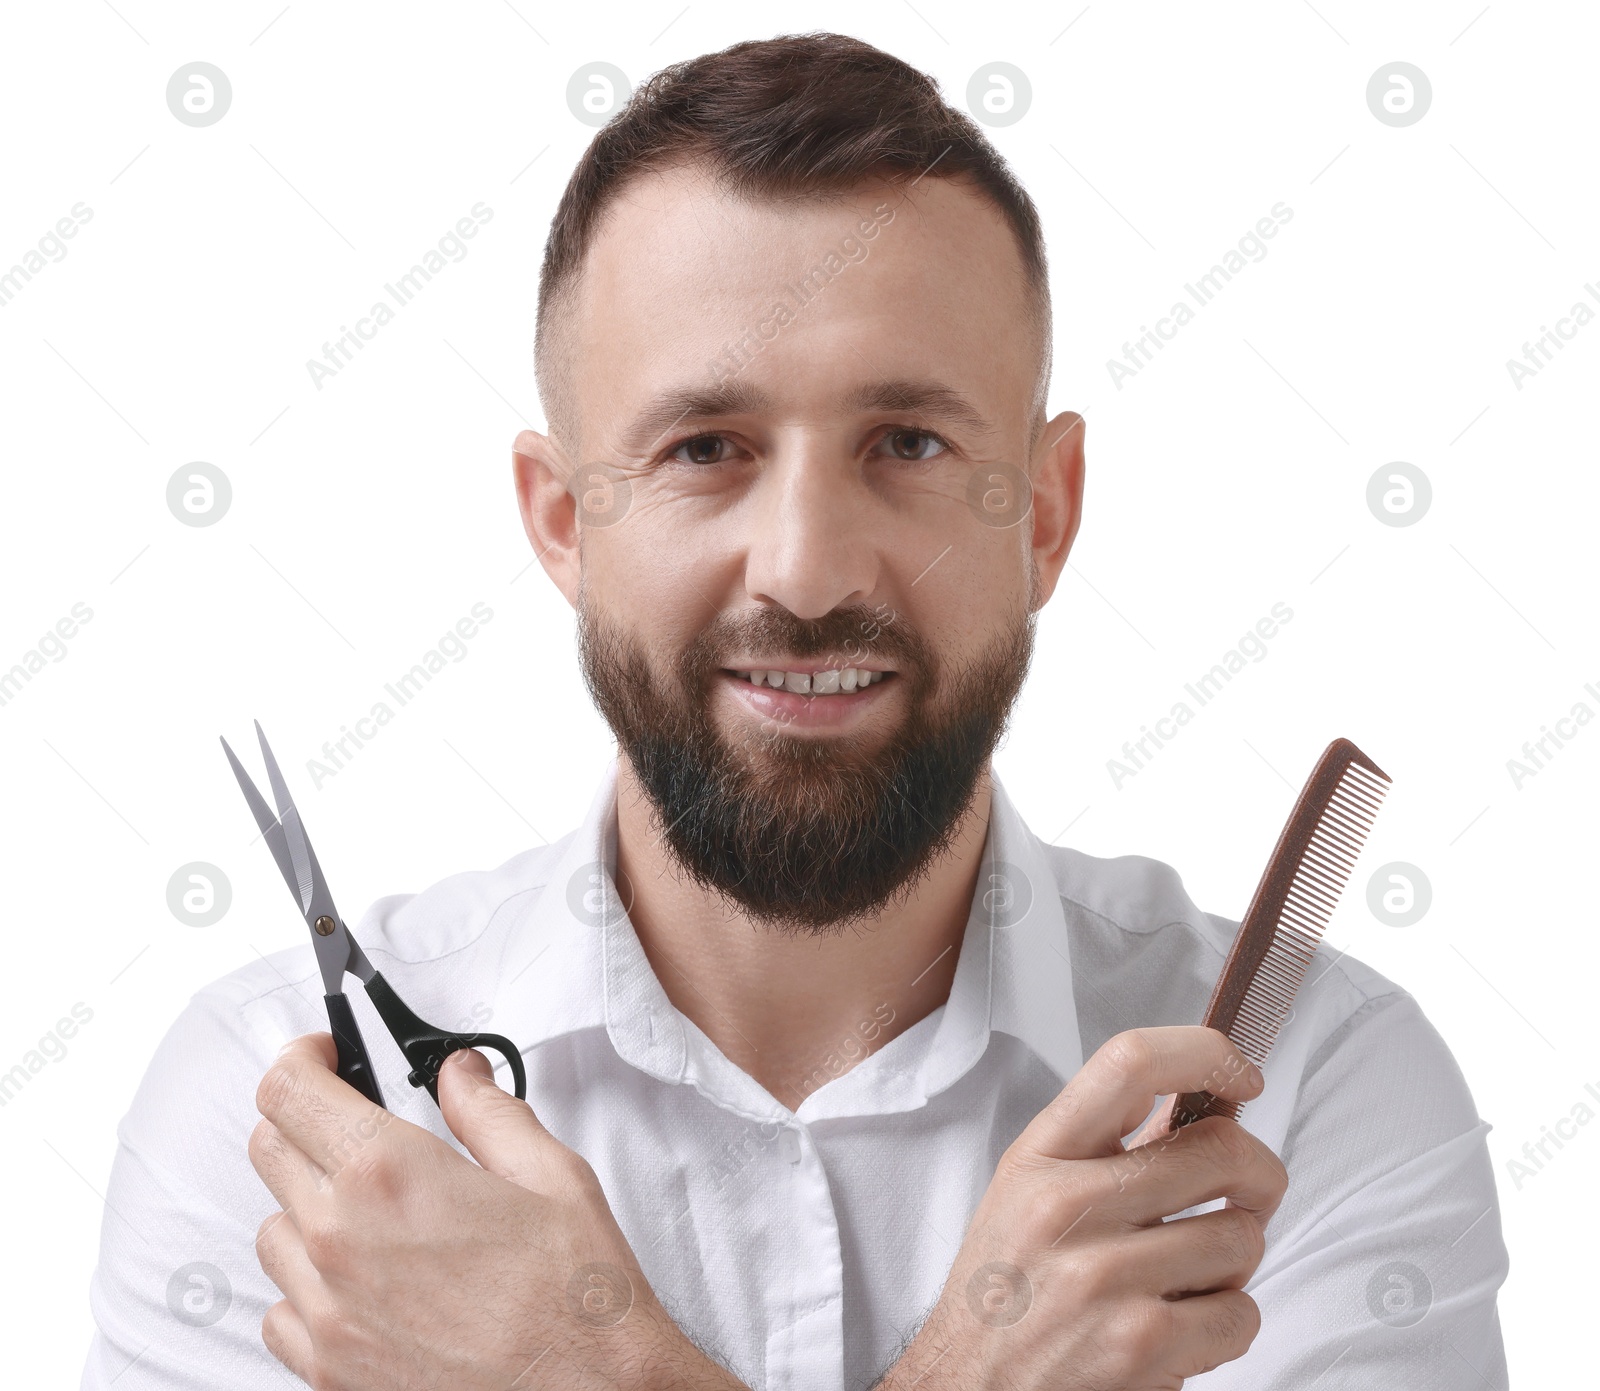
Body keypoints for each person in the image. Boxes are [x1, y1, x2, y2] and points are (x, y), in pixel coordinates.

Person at [80, 32, 1508, 1391]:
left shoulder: (1316, 1092)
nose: (809, 569)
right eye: (707, 448)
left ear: (1047, 514)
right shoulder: (285, 1134)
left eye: (908, 443)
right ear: (565, 522)